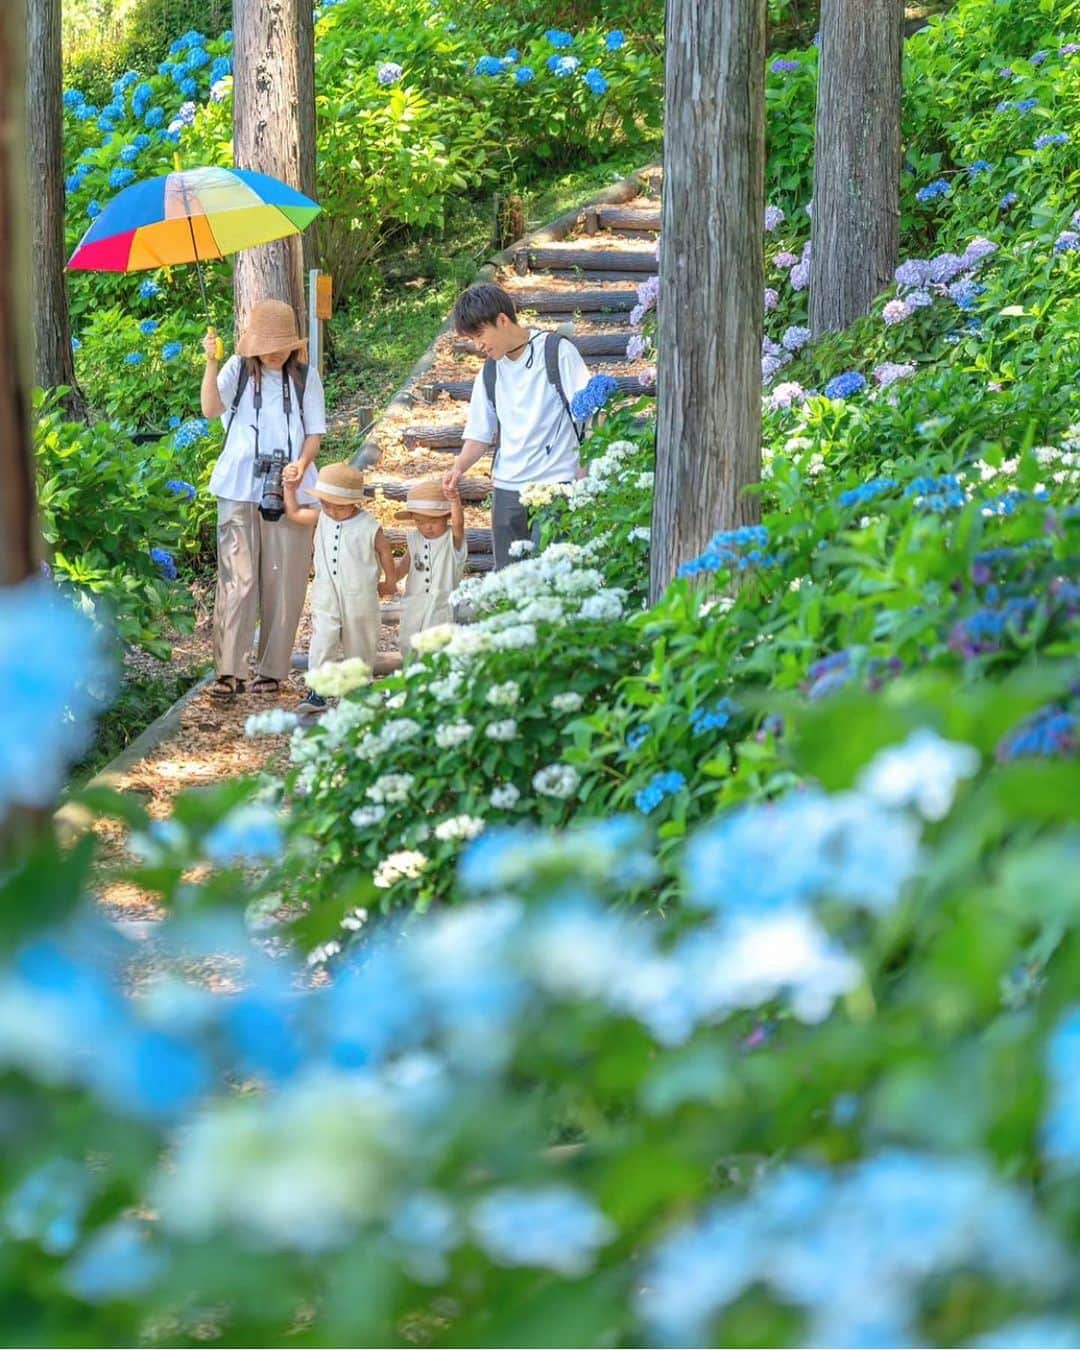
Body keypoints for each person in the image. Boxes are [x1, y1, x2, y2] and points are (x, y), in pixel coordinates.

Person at [200, 298, 326, 702]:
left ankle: (272, 669)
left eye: (283, 344)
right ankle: (228, 671)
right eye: (268, 344)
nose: (275, 352)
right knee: (238, 580)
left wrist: (302, 464)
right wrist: (210, 362)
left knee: (284, 580)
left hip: (290, 486)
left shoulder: (306, 377)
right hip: (238, 485)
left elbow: (314, 432)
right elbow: (208, 409)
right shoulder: (238, 371)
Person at [444, 283, 590, 570]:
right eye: (471, 339)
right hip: (507, 490)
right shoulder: (489, 372)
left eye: (479, 335)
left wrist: (584, 474)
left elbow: (591, 413)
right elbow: (479, 435)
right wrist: (458, 468)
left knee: (553, 580)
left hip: (556, 484)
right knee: (510, 584)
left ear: (502, 320)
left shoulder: (556, 352)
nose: (478, 345)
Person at [281, 460, 397, 713]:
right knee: (323, 638)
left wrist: (390, 580)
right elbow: (295, 514)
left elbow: (385, 550)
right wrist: (289, 491)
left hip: (361, 594)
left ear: (354, 503)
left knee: (361, 639)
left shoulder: (368, 525)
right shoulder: (322, 516)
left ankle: (359, 687)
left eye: (339, 507)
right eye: (326, 504)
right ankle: (318, 690)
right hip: (326, 592)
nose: (332, 510)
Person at [393, 479, 467, 656]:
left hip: (441, 601)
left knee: (435, 644)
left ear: (446, 516)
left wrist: (454, 501)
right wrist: (390, 580)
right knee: (407, 640)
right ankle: (411, 676)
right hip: (414, 599)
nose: (427, 527)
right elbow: (405, 564)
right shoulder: (414, 538)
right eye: (420, 521)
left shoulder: (452, 540)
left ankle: (433, 680)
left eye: (433, 520)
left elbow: (459, 524)